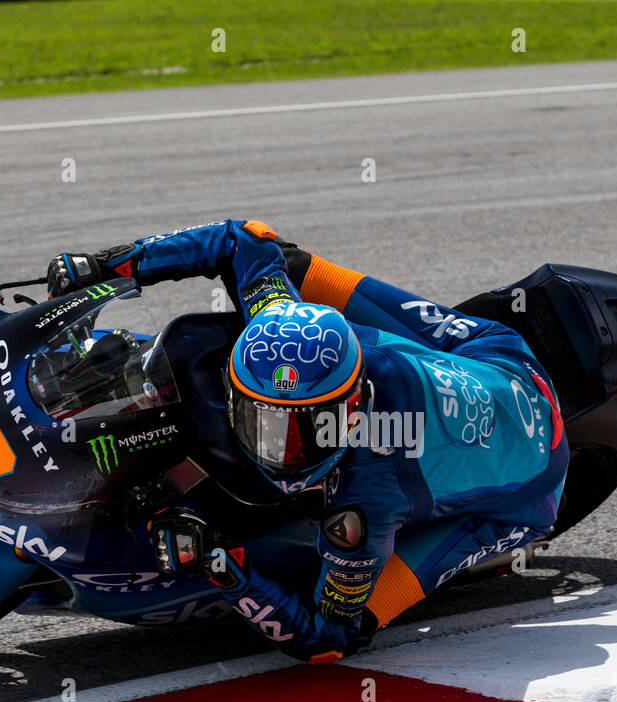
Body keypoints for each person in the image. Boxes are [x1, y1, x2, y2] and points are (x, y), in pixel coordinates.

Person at [47, 219, 568, 663]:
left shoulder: (361, 513)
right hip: (496, 353)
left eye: (307, 430)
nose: (281, 448)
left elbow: (326, 640)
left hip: (528, 493)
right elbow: (242, 238)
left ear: (352, 409)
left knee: (358, 618)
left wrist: (225, 570)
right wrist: (109, 266)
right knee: (288, 263)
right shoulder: (275, 318)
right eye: (263, 418)